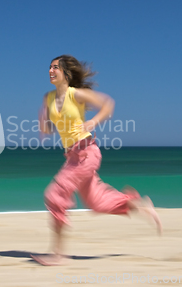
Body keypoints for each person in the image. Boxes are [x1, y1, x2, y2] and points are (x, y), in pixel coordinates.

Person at [32, 55, 162, 266]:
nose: (50, 71)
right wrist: (42, 122)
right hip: (72, 157)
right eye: (49, 67)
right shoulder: (48, 98)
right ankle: (139, 205)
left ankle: (58, 253)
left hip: (86, 153)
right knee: (97, 203)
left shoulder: (77, 94)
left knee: (54, 195)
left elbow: (108, 104)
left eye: (55, 67)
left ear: (66, 73)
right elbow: (48, 129)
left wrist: (93, 121)